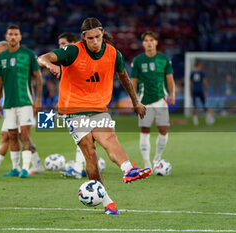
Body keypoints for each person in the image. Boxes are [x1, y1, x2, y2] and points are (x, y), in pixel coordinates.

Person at [38, 17, 151, 215]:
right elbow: (42, 57)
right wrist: (50, 65)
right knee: (90, 152)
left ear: (102, 34)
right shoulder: (74, 50)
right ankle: (108, 202)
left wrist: (135, 101)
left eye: (98, 37)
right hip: (74, 110)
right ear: (84, 38)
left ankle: (128, 169)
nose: (95, 42)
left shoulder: (113, 53)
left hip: (98, 107)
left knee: (109, 138)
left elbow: (123, 77)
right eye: (90, 39)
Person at [0, 40, 44, 175]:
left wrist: (34, 103)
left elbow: (28, 86)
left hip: (23, 105)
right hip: (9, 106)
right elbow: (3, 87)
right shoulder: (4, 66)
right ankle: (34, 164)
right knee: (13, 135)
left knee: (18, 135)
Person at [130, 31, 176, 169]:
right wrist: (134, 101)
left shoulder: (164, 59)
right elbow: (133, 82)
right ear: (143, 43)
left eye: (151, 40)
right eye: (146, 40)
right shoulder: (138, 60)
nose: (149, 43)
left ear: (156, 42)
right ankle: (147, 163)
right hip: (144, 101)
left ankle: (157, 158)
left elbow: (169, 78)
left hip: (161, 100)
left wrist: (172, 94)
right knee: (145, 130)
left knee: (163, 130)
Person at [55, 32, 86, 179]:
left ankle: (78, 169)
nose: (60, 47)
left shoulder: (74, 58)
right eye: (59, 44)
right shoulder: (68, 61)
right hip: (76, 102)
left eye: (63, 44)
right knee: (84, 137)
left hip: (80, 103)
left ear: (73, 43)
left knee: (80, 136)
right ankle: (85, 166)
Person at [190, 61, 213, 125]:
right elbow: (204, 81)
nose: (201, 66)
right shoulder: (201, 72)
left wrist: (190, 91)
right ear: (198, 65)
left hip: (194, 90)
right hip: (200, 89)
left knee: (194, 106)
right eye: (200, 65)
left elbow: (190, 83)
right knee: (204, 104)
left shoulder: (192, 73)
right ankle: (208, 118)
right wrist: (206, 90)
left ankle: (195, 121)